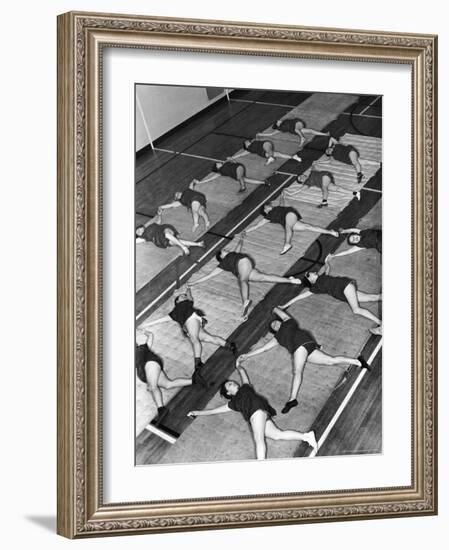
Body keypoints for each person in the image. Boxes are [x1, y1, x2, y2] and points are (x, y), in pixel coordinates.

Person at [237, 307, 370, 415]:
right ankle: (358, 361)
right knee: (330, 360)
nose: (276, 324)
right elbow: (264, 348)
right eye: (274, 325)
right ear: (274, 331)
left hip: (300, 344)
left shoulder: (288, 322)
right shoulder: (277, 338)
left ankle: (292, 399)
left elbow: (280, 312)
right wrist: (248, 355)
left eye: (276, 322)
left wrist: (273, 309)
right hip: (306, 348)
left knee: (297, 371)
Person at [187, 363, 317, 460]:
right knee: (277, 435)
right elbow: (213, 411)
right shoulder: (233, 403)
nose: (233, 383)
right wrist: (197, 412)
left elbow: (243, 375)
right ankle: (306, 436)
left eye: (232, 382)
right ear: (228, 393)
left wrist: (239, 366)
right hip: (259, 414)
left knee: (258, 439)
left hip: (257, 412)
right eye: (230, 385)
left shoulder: (245, 388)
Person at [188, 236, 302, 320]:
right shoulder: (223, 264)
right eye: (224, 251)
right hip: (246, 267)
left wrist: (241, 239)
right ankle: (290, 280)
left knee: (242, 280)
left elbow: (238, 248)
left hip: (243, 262)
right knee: (264, 277)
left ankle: (245, 302)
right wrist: (194, 282)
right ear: (221, 257)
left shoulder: (231, 255)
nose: (226, 250)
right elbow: (209, 275)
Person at [142, 287, 237, 387]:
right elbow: (164, 319)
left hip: (190, 319)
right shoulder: (179, 308)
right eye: (182, 296)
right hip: (194, 320)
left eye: (185, 296)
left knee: (194, 339)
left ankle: (198, 363)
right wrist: (148, 324)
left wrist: (187, 289)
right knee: (209, 338)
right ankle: (230, 345)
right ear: (177, 301)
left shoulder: (184, 305)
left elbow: (188, 295)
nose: (185, 297)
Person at [280, 260, 382, 335]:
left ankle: (381, 324)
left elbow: (327, 268)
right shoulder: (316, 288)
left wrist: (327, 261)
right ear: (310, 281)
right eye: (308, 274)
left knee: (356, 310)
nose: (312, 272)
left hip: (345, 286)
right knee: (372, 298)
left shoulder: (321, 278)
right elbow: (300, 297)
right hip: (346, 288)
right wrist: (285, 305)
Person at [243, 195, 339, 254]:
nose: (269, 206)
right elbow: (256, 226)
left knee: (288, 228)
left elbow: (282, 205)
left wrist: (282, 197)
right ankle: (330, 232)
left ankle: (287, 244)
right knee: (308, 227)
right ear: (265, 210)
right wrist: (245, 231)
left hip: (289, 213)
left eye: (268, 205)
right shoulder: (267, 218)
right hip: (287, 220)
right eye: (266, 206)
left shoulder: (276, 208)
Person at [135, 328, 192, 423]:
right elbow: (151, 335)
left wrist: (143, 331)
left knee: (152, 387)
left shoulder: (142, 348)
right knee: (167, 384)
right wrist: (144, 332)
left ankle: (162, 409)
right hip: (149, 366)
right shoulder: (143, 347)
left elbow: (150, 335)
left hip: (150, 363)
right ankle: (195, 380)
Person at [135, 212, 205, 256]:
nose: (139, 232)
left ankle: (183, 247)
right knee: (177, 241)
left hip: (164, 229)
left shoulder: (150, 226)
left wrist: (159, 215)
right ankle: (198, 244)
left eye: (138, 230)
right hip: (160, 240)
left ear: (142, 227)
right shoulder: (143, 237)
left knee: (167, 234)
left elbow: (158, 222)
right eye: (138, 233)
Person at [192, 160, 266, 193]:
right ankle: (263, 182)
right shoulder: (220, 173)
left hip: (238, 168)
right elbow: (211, 178)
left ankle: (243, 187)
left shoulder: (225, 163)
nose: (218, 163)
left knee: (240, 178)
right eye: (217, 164)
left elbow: (234, 162)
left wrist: (231, 159)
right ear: (217, 168)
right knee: (244, 179)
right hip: (237, 174)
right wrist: (200, 182)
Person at [257, 117, 329, 147]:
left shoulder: (285, 121)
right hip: (297, 129)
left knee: (297, 129)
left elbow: (293, 121)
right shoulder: (280, 129)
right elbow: (271, 134)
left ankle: (302, 138)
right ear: (277, 124)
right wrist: (261, 134)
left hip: (297, 123)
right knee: (310, 131)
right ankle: (325, 134)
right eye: (277, 121)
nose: (279, 120)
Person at [230, 139, 302, 166]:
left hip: (265, 144)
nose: (247, 141)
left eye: (247, 141)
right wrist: (233, 157)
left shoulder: (254, 142)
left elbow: (259, 140)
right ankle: (293, 157)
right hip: (263, 152)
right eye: (245, 142)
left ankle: (270, 158)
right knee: (278, 154)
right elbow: (241, 154)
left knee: (268, 151)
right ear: (246, 146)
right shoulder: (248, 150)